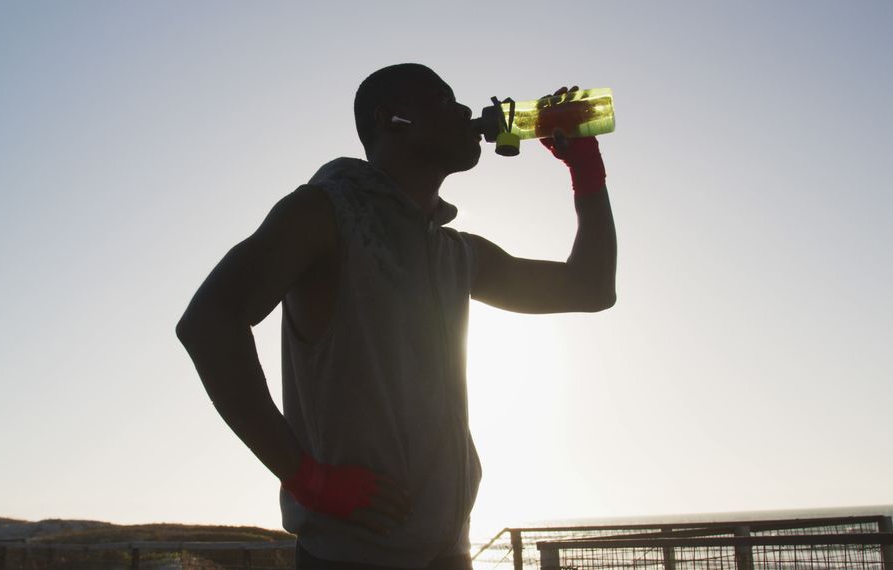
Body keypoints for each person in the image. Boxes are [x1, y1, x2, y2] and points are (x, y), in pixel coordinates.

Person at [176, 63, 617, 570]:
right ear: (392, 120)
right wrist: (307, 479)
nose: (464, 112)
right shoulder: (324, 213)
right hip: (351, 556)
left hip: (450, 551)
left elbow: (591, 287)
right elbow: (208, 322)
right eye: (442, 100)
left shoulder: (457, 253)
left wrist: (586, 172)